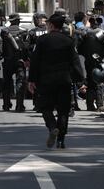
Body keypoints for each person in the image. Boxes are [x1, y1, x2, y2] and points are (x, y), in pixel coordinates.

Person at [28, 14, 84, 149]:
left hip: (45, 81)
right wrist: (80, 81)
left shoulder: (42, 40)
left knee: (45, 108)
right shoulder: (69, 41)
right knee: (63, 111)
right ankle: (61, 140)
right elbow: (75, 62)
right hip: (64, 81)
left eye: (47, 24)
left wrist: (31, 80)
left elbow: (34, 62)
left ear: (51, 25)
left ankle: (52, 127)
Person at [78, 17, 104, 112]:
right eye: (93, 21)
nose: (95, 23)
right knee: (98, 82)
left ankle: (91, 105)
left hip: (91, 61)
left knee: (92, 82)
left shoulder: (87, 33)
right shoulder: (98, 33)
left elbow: (80, 49)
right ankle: (98, 105)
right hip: (96, 61)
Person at [0, 13, 28, 112]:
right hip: (20, 61)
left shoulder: (4, 32)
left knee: (7, 83)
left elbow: (1, 47)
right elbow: (26, 48)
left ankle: (6, 105)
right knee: (20, 82)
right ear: (18, 21)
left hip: (7, 61)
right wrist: (26, 59)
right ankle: (19, 105)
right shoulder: (24, 32)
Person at [27, 12, 48, 111]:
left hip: (36, 61)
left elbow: (27, 48)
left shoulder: (32, 32)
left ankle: (37, 104)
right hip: (48, 62)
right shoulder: (50, 31)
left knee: (36, 82)